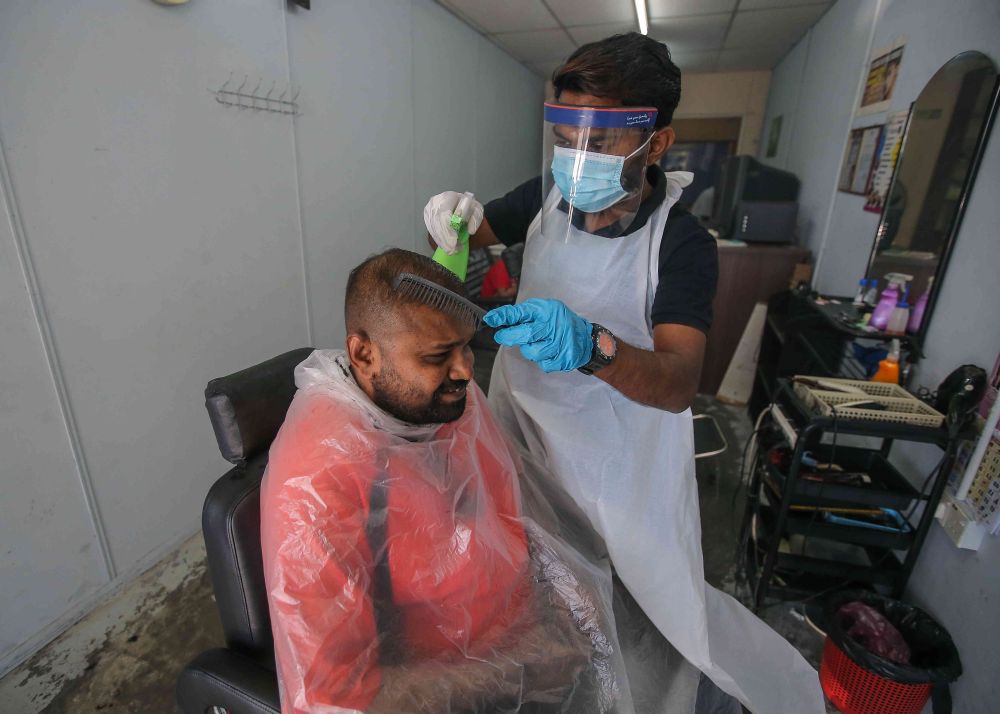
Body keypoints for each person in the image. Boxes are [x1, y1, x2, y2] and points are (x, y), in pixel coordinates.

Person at [423, 34, 824, 713]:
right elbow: (475, 234)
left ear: (656, 143)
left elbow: (678, 382)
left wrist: (590, 346)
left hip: (615, 463)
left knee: (632, 615)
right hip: (522, 432)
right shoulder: (549, 195)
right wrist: (452, 220)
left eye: (600, 143)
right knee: (530, 597)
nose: (576, 160)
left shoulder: (682, 243)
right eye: (566, 139)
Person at [260, 249, 634, 714]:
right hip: (454, 688)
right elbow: (336, 698)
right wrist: (520, 669)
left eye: (466, 347)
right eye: (438, 356)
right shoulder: (318, 481)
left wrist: (569, 600)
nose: (465, 371)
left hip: (526, 641)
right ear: (364, 354)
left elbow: (519, 513)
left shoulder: (450, 402)